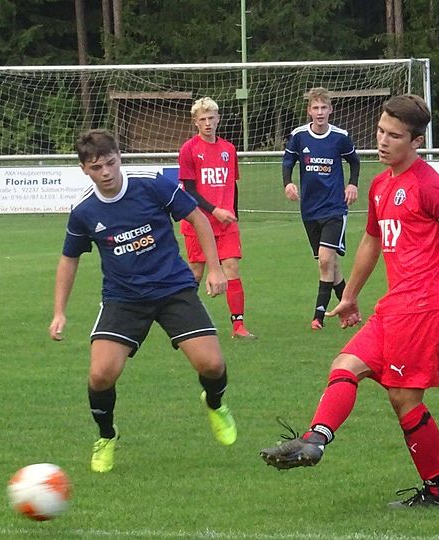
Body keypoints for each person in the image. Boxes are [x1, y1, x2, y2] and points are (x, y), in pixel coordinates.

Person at [259, 95, 439, 508]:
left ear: (416, 141)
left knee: (404, 400)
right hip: (395, 305)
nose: (382, 140)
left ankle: (438, 491)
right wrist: (351, 296)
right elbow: (371, 241)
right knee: (345, 365)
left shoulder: (430, 185)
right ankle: (314, 440)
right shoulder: (380, 185)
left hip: (425, 307)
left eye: (394, 135)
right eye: (380, 131)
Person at [49, 129, 238, 473]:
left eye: (110, 163)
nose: (106, 172)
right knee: (101, 375)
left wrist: (214, 268)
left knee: (211, 365)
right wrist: (59, 311)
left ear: (119, 157)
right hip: (123, 298)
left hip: (173, 288)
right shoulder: (84, 211)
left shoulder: (151, 185)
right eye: (96, 167)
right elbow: (69, 259)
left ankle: (214, 403)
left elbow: (197, 218)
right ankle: (106, 436)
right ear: (84, 169)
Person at [282, 87, 361, 330]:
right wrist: (288, 183)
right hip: (309, 209)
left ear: (330, 110)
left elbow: (354, 162)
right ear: (309, 111)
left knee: (326, 260)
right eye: (315, 108)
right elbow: (288, 162)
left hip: (335, 208)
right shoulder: (299, 136)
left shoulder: (340, 137)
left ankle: (318, 316)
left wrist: (352, 184)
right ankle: (350, 309)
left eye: (323, 108)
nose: (319, 112)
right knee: (331, 264)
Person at [178, 97, 255, 339]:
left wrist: (234, 213)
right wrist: (215, 211)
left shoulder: (228, 149)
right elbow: (189, 191)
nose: (208, 123)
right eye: (203, 119)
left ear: (218, 118)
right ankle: (183, 320)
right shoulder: (189, 149)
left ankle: (238, 326)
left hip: (225, 224)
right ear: (195, 122)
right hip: (197, 222)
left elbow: (233, 184)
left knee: (232, 267)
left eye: (211, 118)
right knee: (196, 272)